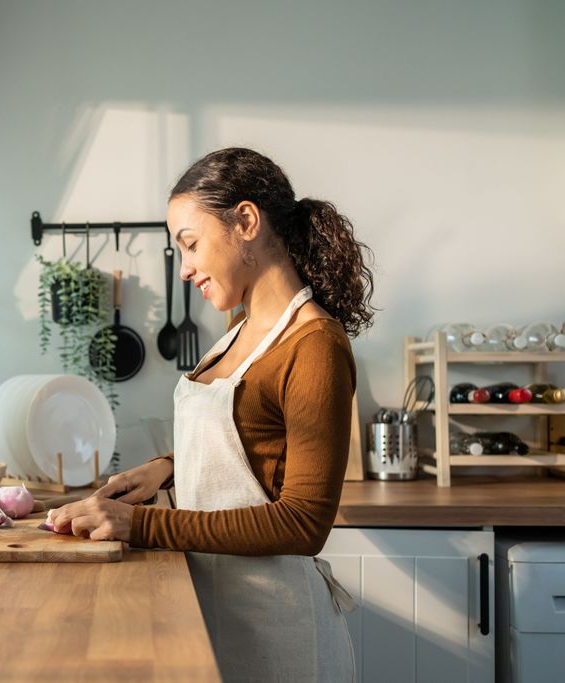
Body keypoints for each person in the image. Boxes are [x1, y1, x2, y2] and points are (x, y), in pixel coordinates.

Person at [47, 147, 375, 681]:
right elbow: (255, 441)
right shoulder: (238, 332)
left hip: (277, 631)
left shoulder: (315, 344)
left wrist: (139, 524)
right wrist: (165, 467)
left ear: (245, 221)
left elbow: (304, 523)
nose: (186, 268)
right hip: (211, 610)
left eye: (191, 244)